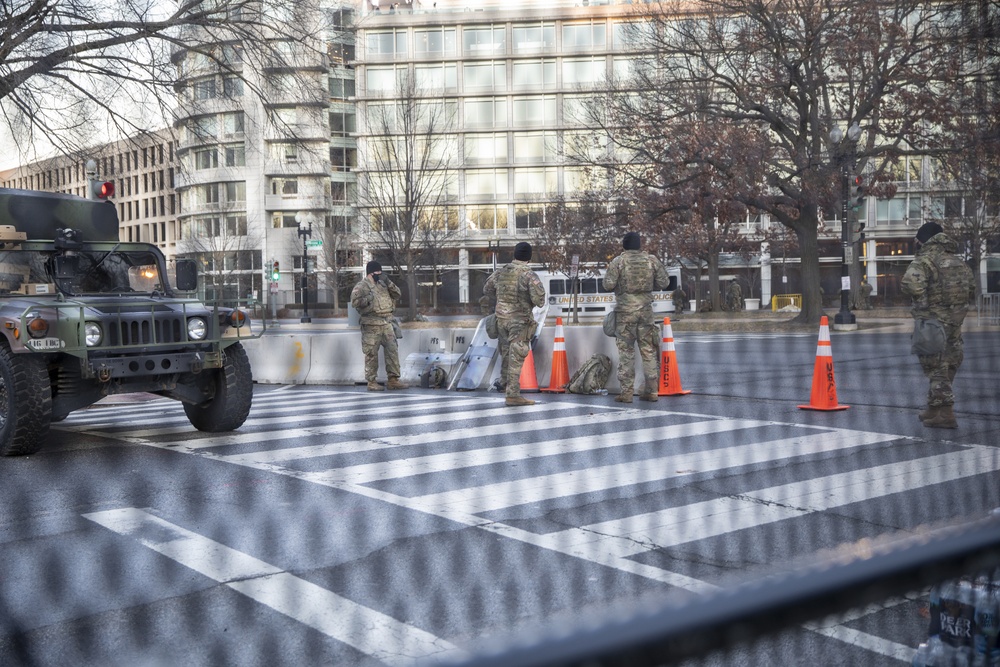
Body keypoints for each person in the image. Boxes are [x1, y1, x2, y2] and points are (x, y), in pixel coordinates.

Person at [900, 222, 975, 428]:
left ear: (924, 239)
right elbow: (972, 288)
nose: (916, 243)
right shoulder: (958, 261)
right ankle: (934, 408)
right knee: (949, 362)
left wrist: (924, 301)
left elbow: (910, 285)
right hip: (955, 321)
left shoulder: (925, 260)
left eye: (917, 239)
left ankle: (947, 414)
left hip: (932, 320)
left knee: (935, 366)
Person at [603, 232, 670, 403]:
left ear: (624, 246)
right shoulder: (652, 260)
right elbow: (664, 283)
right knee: (648, 351)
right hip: (646, 312)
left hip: (625, 313)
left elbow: (608, 285)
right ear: (640, 245)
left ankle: (626, 393)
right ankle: (652, 391)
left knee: (626, 353)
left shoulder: (618, 261)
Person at [483, 242, 545, 407]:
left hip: (501, 320)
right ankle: (513, 395)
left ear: (515, 254)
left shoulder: (501, 272)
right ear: (529, 257)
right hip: (518, 322)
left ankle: (504, 384)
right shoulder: (529, 275)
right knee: (516, 356)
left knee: (505, 352)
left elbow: (487, 289)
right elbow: (540, 301)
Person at [351, 261, 408, 391]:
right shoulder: (362, 286)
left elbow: (397, 294)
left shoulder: (383, 284)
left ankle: (393, 380)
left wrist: (388, 282)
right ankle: (371, 382)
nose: (380, 274)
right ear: (371, 273)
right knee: (371, 353)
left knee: (392, 350)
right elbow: (355, 303)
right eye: (377, 272)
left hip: (387, 323)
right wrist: (369, 299)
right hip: (371, 324)